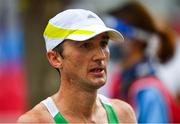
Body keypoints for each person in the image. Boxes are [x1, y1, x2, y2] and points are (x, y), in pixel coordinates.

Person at [17, 9, 137, 123]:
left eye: (103, 43)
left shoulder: (123, 114)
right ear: (55, 58)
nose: (100, 56)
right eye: (85, 45)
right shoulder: (36, 121)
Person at [106, 2, 176, 123]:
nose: (109, 43)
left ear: (135, 40)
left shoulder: (148, 91)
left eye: (116, 34)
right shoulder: (120, 81)